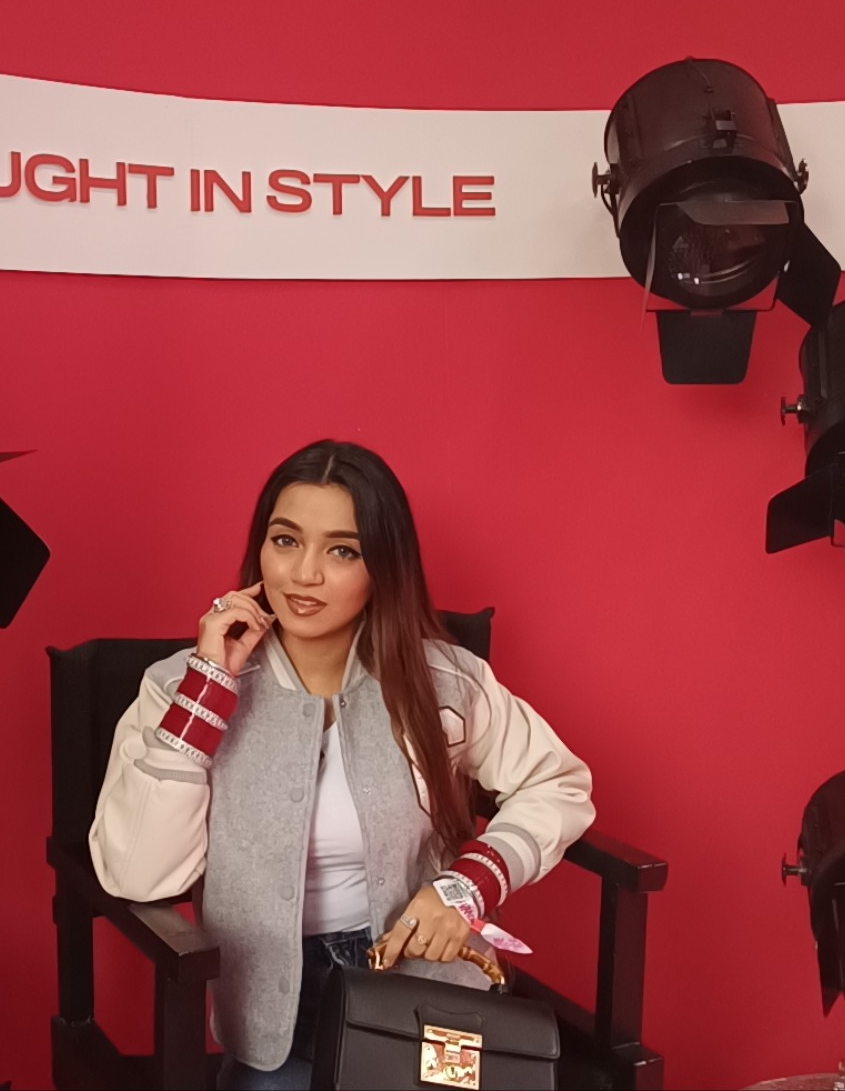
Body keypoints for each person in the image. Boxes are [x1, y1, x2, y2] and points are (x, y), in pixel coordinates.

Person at [90, 440, 595, 1090]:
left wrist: (467, 886)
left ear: (383, 566)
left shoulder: (443, 681)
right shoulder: (177, 689)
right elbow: (138, 874)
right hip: (272, 1011)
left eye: (342, 551)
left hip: (426, 995)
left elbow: (558, 783)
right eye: (285, 541)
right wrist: (207, 692)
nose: (304, 574)